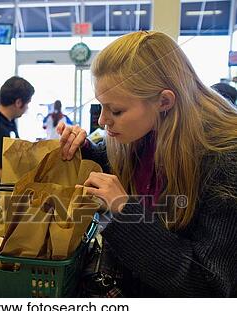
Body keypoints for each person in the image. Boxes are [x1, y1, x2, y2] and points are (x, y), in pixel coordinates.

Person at [58, 31, 237, 297]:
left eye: (116, 111)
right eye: (101, 107)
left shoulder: (224, 160)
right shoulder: (146, 131)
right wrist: (83, 152)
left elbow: (210, 285)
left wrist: (124, 210)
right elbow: (117, 171)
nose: (102, 121)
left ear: (164, 101)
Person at [0, 76, 34, 202]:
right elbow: (1, 171)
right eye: (28, 103)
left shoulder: (9, 122)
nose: (27, 108)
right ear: (18, 102)